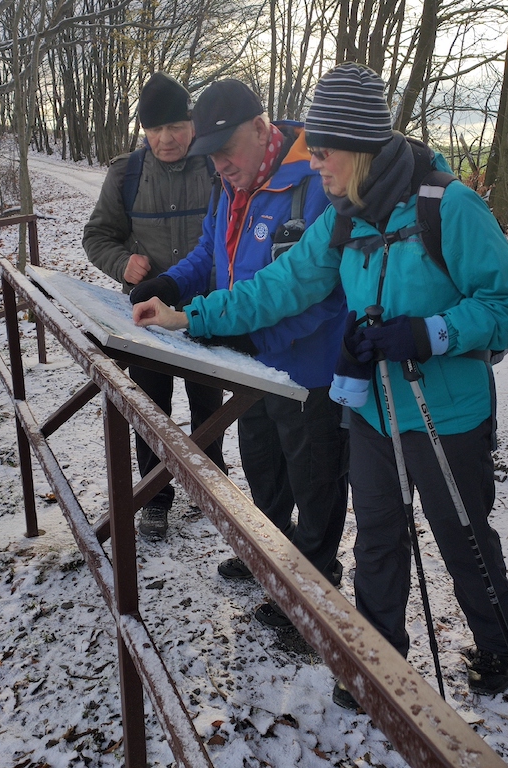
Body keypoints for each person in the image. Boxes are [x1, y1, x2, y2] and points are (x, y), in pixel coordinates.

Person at [132, 63, 508, 705]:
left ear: (360, 150)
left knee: (461, 534)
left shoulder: (448, 206)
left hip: (445, 414)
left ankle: (495, 645)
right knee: (378, 534)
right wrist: (188, 315)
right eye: (312, 153)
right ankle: (376, 662)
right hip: (372, 407)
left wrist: (428, 332)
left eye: (323, 153)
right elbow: (280, 286)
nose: (315, 165)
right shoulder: (343, 218)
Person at [128, 78, 350, 629]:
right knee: (262, 466)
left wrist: (253, 339)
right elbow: (211, 250)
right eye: (213, 157)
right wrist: (172, 286)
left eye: (226, 154)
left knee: (314, 481)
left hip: (308, 372)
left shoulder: (315, 183)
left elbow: (325, 293)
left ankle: (314, 591)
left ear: (261, 128)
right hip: (248, 364)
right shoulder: (231, 181)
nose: (220, 167)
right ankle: (268, 560)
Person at [83, 72, 226, 541]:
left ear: (192, 123)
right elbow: (96, 237)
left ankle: (211, 485)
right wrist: (123, 264)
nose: (166, 139)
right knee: (150, 407)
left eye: (176, 126)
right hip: (147, 318)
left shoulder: (217, 167)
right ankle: (155, 495)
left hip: (207, 311)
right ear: (143, 130)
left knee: (211, 403)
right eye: (154, 128)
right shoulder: (126, 174)